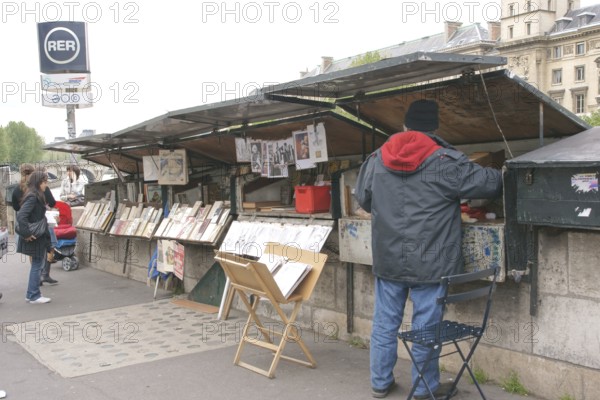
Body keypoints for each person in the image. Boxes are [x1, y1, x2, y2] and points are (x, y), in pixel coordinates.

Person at [355, 100, 502, 399]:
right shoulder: (445, 160)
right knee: (426, 327)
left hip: (390, 258)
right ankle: (425, 388)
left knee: (385, 322)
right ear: (434, 128)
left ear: (405, 126)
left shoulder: (376, 158)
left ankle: (380, 383)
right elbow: (488, 185)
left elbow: (364, 200)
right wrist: (503, 169)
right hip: (432, 261)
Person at [12, 164, 58, 285]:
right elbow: (52, 202)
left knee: (34, 257)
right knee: (48, 248)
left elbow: (16, 207)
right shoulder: (35, 193)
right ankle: (43, 277)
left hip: (26, 226)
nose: (46, 184)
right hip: (37, 226)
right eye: (45, 182)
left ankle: (36, 283)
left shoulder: (17, 189)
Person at [16, 171, 53, 304]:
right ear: (39, 183)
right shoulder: (33, 196)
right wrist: (26, 233)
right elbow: (21, 216)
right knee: (37, 264)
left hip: (37, 234)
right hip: (36, 236)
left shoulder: (33, 195)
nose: (46, 185)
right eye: (45, 182)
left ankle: (31, 294)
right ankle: (33, 295)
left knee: (37, 264)